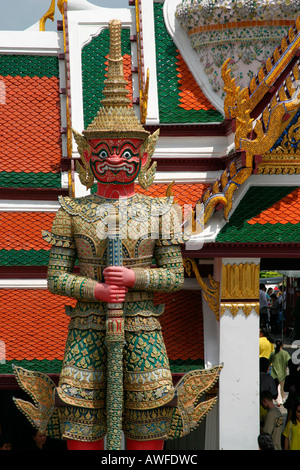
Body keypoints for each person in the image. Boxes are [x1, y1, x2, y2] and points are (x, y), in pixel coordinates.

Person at [12, 19, 221, 451]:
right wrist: (96, 289)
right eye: (103, 151)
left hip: (143, 328)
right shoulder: (73, 210)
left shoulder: (159, 210)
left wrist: (132, 281)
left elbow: (171, 275)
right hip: (88, 329)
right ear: (88, 153)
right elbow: (55, 277)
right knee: (82, 424)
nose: (115, 160)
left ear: (143, 153)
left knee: (149, 425)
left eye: (126, 150)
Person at [269, 340, 291, 406]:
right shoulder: (285, 353)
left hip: (274, 374)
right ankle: (283, 398)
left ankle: (279, 401)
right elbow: (289, 362)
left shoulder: (273, 353)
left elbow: (269, 361)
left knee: (277, 388)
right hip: (282, 373)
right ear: (282, 344)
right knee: (282, 388)